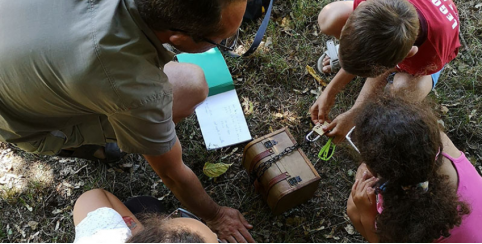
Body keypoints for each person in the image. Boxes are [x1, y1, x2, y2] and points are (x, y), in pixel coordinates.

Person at [0, 0, 254, 242]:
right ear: (179, 39)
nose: (227, 41)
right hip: (23, 121)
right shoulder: (137, 89)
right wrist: (216, 215)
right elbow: (172, 174)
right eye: (223, 40)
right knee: (191, 86)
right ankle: (86, 145)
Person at [310, 0, 461, 143]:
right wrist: (330, 91)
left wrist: (355, 113)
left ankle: (366, 55)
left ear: (407, 55)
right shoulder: (372, 5)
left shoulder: (430, 56)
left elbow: (388, 69)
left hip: (431, 50)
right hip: (409, 23)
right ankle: (358, 50)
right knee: (329, 18)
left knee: (403, 88)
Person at [346, 96, 482, 243]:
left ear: (388, 174)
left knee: (354, 208)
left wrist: (368, 216)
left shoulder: (412, 222)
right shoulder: (436, 143)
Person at [73, 189, 219, 243]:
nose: (214, 233)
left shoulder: (103, 236)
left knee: (145, 204)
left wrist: (138, 233)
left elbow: (91, 196)